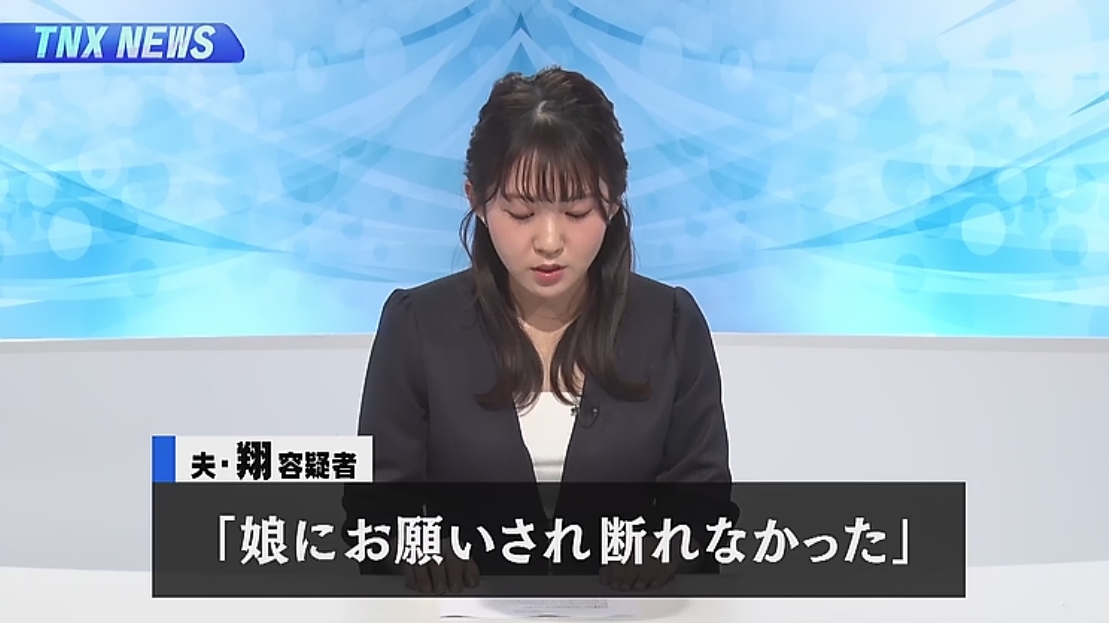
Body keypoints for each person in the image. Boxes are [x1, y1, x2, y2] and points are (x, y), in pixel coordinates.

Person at [342, 66, 733, 595]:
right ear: (477, 200)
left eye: (576, 211)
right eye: (522, 213)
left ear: (614, 201)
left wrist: (666, 546)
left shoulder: (671, 324)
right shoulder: (416, 325)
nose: (549, 241)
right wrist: (420, 549)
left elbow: (704, 503)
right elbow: (374, 509)